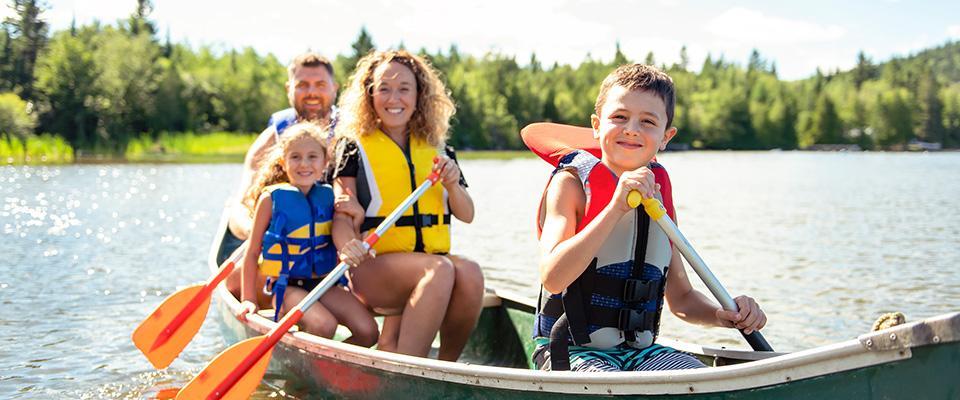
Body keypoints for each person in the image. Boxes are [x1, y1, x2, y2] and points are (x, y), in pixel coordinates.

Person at [533, 64, 767, 372]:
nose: (632, 128)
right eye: (619, 117)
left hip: (640, 355)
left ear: (666, 136)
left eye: (647, 121)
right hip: (568, 349)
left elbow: (681, 300)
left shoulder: (659, 197)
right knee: (613, 389)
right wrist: (615, 208)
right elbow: (553, 276)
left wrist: (720, 315)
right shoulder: (571, 186)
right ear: (597, 125)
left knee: (702, 380)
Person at [331, 50, 484, 360]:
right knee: (439, 269)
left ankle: (446, 367)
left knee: (470, 272)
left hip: (428, 264)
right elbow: (342, 212)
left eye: (404, 88)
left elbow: (466, 214)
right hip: (373, 268)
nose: (394, 97)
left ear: (419, 95)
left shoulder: (439, 148)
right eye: (383, 88)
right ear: (370, 93)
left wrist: (453, 184)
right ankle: (411, 370)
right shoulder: (353, 147)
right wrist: (348, 245)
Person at [236, 122, 377, 347]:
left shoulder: (330, 197)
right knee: (324, 325)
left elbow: (348, 241)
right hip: (287, 286)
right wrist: (248, 300)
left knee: (369, 332)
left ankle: (332, 369)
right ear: (283, 162)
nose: (304, 164)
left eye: (312, 157)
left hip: (325, 283)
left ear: (325, 162)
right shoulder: (270, 199)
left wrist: (358, 218)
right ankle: (307, 373)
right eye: (295, 157)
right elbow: (252, 252)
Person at [225, 52, 339, 306]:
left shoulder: (350, 135)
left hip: (331, 251)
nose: (311, 92)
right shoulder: (271, 139)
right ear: (289, 89)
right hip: (285, 253)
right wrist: (261, 234)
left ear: (334, 88)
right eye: (302, 85)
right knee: (233, 280)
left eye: (320, 84)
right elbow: (239, 209)